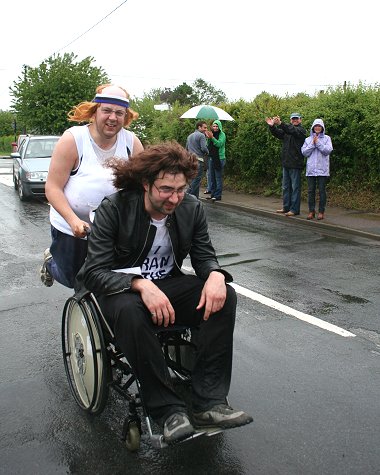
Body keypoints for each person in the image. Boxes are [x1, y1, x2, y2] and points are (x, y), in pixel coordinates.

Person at [77, 141, 253, 444]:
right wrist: (140, 284)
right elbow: (94, 272)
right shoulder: (115, 208)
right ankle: (168, 411)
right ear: (146, 184)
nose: (174, 198)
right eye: (166, 190)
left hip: (166, 284)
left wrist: (214, 275)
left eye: (181, 189)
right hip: (119, 289)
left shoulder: (191, 207)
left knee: (225, 297)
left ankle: (209, 403)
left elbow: (204, 255)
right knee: (132, 311)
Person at [40, 84, 144, 288]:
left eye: (119, 113)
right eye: (106, 110)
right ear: (95, 112)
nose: (113, 117)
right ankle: (51, 262)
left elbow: (142, 185)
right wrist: (73, 222)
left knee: (108, 280)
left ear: (126, 117)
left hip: (112, 228)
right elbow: (52, 188)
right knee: (73, 280)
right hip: (72, 227)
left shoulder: (131, 142)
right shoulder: (73, 140)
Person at [266, 113, 306, 216]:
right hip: (286, 163)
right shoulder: (287, 130)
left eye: (296, 119)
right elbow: (278, 133)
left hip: (296, 163)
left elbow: (292, 130)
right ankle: (286, 207)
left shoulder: (301, 130)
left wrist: (281, 123)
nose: (295, 120)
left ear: (300, 120)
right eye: (293, 119)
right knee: (285, 187)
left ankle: (294, 210)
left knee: (295, 187)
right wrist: (272, 126)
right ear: (290, 120)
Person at [301, 118, 333, 220]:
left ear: (322, 128)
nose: (317, 128)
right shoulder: (307, 139)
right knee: (311, 191)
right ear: (313, 128)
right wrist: (313, 143)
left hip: (322, 170)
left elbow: (327, 151)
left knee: (322, 191)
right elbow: (304, 152)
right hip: (311, 170)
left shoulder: (327, 138)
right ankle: (311, 211)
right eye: (316, 126)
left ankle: (321, 212)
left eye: (319, 126)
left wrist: (318, 143)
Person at [186, 121, 209, 198]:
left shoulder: (189, 136)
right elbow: (204, 148)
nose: (206, 129)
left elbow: (186, 149)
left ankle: (195, 199)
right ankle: (185, 196)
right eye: (204, 127)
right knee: (196, 180)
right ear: (199, 127)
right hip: (199, 160)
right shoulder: (201, 136)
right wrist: (208, 152)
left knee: (193, 180)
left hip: (191, 160)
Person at [205, 120, 226, 202]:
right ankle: (213, 194)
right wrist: (208, 138)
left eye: (217, 126)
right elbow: (208, 146)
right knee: (212, 177)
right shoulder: (211, 134)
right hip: (212, 158)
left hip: (219, 158)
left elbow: (219, 144)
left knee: (218, 177)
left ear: (219, 127)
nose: (215, 128)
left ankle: (218, 195)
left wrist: (212, 138)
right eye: (214, 126)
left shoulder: (222, 135)